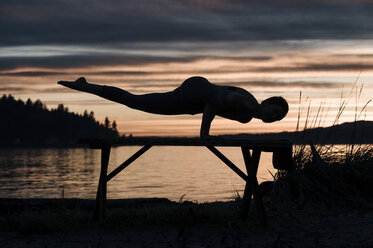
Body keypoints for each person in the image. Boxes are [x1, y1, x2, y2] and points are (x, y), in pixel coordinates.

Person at [58, 76, 288, 138]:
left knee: (136, 102)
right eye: (275, 111)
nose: (273, 117)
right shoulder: (245, 102)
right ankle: (86, 86)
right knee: (137, 102)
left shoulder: (246, 118)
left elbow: (213, 108)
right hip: (196, 90)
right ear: (266, 103)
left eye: (277, 119)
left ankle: (86, 86)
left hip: (190, 101)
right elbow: (212, 103)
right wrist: (204, 134)